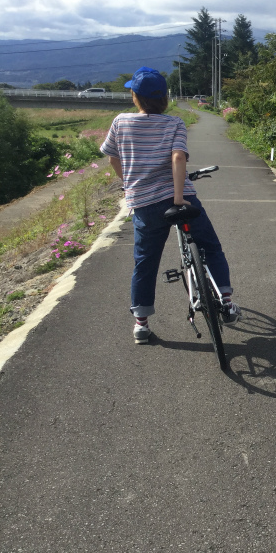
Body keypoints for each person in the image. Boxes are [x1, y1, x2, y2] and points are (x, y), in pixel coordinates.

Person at [101, 66, 240, 344]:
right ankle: (225, 300)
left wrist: (130, 184)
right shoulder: (174, 124)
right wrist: (178, 198)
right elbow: (178, 158)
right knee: (210, 247)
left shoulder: (120, 122)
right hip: (180, 197)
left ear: (135, 97)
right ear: (165, 98)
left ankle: (141, 324)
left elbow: (113, 158)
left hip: (144, 204)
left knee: (145, 261)